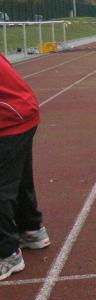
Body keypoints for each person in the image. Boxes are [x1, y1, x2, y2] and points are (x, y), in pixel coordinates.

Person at [0, 53, 50, 281]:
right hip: (21, 112)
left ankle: (7, 254)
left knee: (3, 187)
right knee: (19, 178)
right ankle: (31, 230)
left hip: (9, 118)